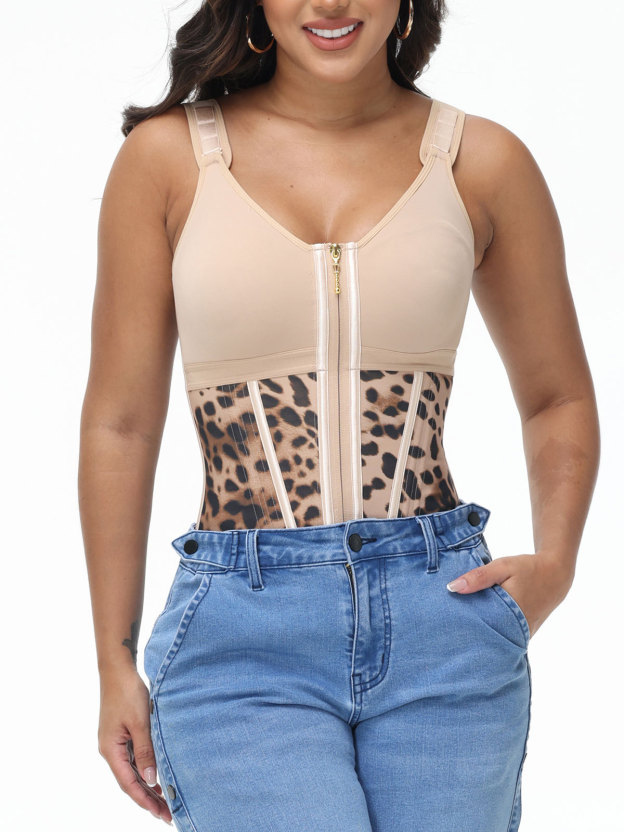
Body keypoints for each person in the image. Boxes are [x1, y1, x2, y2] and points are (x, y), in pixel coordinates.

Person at [78, 1, 600, 830]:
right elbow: (120, 423)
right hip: (241, 633)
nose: (330, 4)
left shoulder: (480, 161)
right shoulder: (170, 159)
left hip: (444, 619)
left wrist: (558, 564)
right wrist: (113, 661)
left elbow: (557, 396)